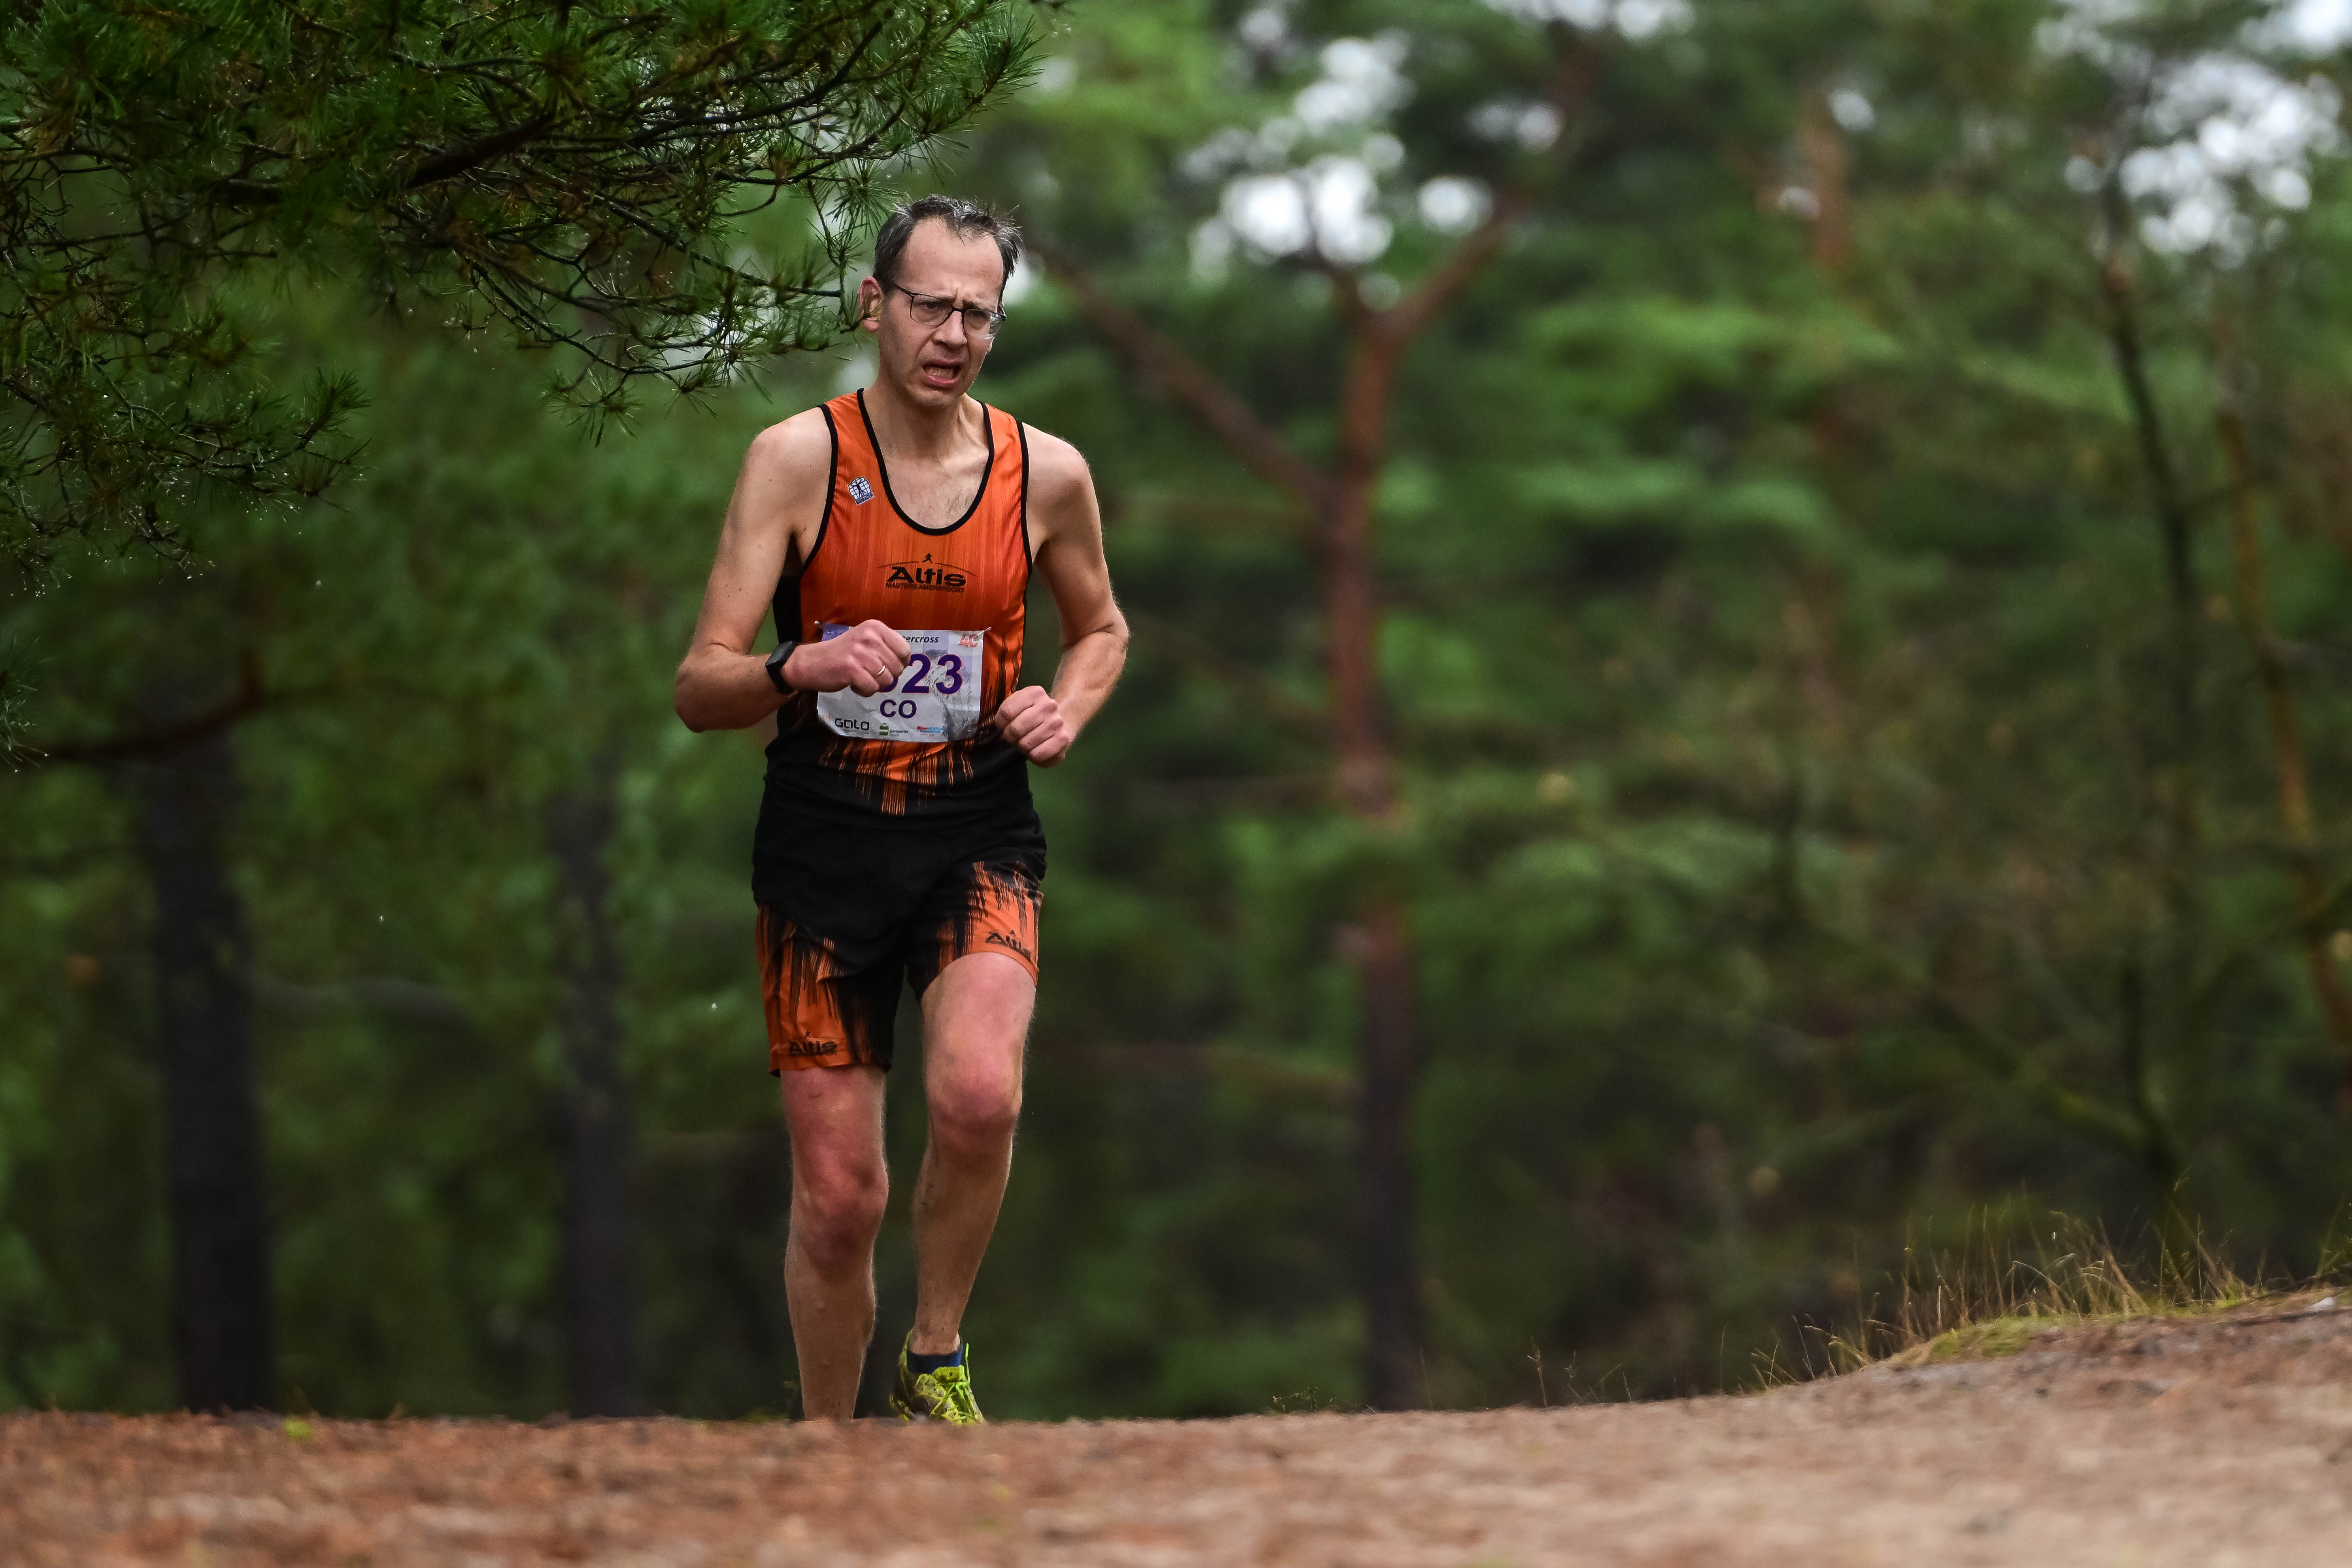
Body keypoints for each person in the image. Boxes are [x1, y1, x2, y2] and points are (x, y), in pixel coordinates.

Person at [673, 196, 1127, 1423]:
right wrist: (801, 665)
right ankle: (831, 1448)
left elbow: (1102, 627)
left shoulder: (1046, 474)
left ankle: (935, 1358)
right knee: (841, 1199)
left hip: (979, 829)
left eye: (981, 314)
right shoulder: (797, 460)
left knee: (981, 1097)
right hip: (822, 841)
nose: (954, 335)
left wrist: (1066, 709)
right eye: (932, 306)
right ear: (874, 304)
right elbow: (699, 685)